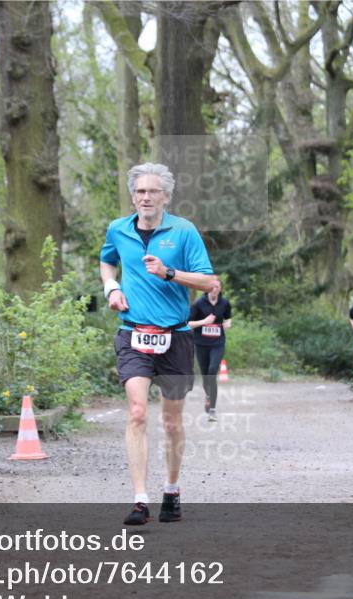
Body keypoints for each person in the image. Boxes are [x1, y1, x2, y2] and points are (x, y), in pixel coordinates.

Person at [100, 163, 219, 526]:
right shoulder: (118, 230)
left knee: (170, 422)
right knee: (137, 412)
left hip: (176, 337)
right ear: (132, 195)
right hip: (132, 332)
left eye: (152, 191)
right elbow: (107, 262)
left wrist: (169, 272)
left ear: (165, 196)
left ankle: (172, 488)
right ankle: (139, 500)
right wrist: (113, 288)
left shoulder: (184, 232)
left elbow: (209, 282)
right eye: (139, 192)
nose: (145, 198)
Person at [188, 280, 232, 422]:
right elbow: (188, 324)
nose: (214, 289)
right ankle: (208, 395)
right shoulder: (198, 304)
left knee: (212, 371)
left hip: (218, 343)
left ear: (220, 289)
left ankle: (212, 409)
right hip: (201, 344)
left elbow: (228, 318)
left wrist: (228, 323)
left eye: (217, 287)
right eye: (212, 287)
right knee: (206, 376)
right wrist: (204, 322)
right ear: (207, 289)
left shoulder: (225, 304)